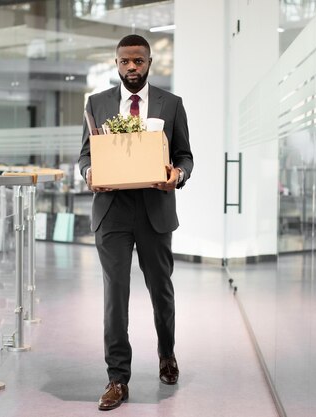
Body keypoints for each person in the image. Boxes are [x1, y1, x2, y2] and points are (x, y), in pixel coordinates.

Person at [78, 34, 193, 411]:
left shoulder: (171, 104)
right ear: (116, 63)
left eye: (138, 61)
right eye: (125, 61)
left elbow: (185, 155)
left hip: (155, 210)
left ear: (148, 63)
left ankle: (167, 354)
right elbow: (84, 156)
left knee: (161, 290)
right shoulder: (96, 104)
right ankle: (117, 378)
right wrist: (89, 172)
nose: (132, 67)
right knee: (116, 296)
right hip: (112, 210)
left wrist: (177, 174)